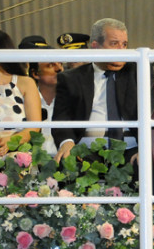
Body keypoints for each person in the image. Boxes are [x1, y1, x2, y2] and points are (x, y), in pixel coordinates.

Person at [53, 19, 138, 165]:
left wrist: (146, 149)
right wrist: (66, 142)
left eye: (124, 44)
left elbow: (153, 114)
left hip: (132, 149)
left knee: (147, 165)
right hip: (86, 150)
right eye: (114, 44)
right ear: (95, 46)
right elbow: (62, 117)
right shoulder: (71, 78)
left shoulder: (138, 72)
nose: (121, 50)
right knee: (69, 162)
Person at [19, 35, 63, 157]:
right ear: (35, 73)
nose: (59, 68)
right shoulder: (22, 101)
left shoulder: (71, 99)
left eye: (60, 63)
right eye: (50, 65)